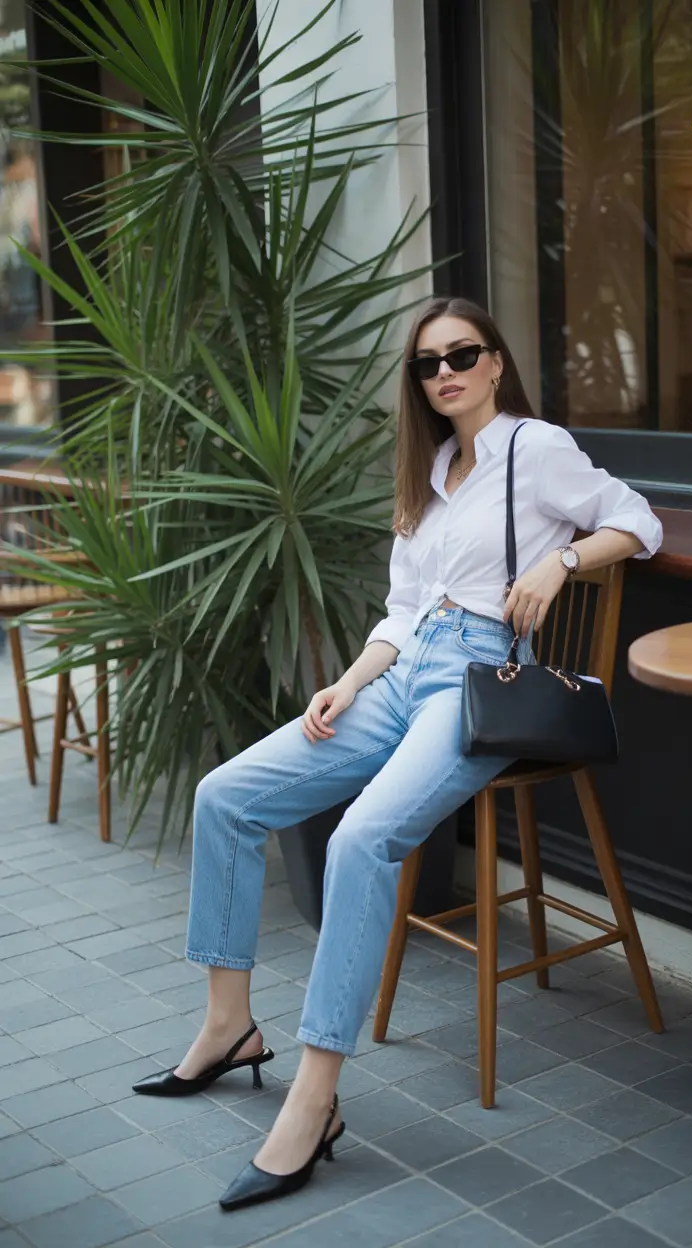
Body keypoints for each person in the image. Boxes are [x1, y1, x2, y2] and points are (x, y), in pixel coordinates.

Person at [132, 295, 662, 1211]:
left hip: (480, 682)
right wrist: (350, 678)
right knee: (225, 795)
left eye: (463, 354)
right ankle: (228, 1028)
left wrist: (560, 563)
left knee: (358, 841)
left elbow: (638, 520)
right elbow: (404, 610)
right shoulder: (433, 465)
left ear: (496, 361)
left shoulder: (531, 449)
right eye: (428, 363)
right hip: (400, 674)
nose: (446, 372)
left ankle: (315, 1097)